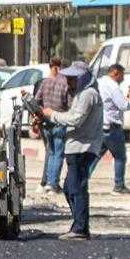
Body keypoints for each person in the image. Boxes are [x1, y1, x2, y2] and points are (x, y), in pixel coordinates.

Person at [40, 59, 104, 239]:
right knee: (70, 187)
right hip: (76, 146)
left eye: (73, 78)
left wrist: (52, 115)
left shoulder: (87, 95)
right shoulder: (81, 94)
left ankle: (80, 228)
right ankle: (79, 223)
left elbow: (75, 119)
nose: (69, 81)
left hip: (82, 147)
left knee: (77, 187)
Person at [35, 54, 75, 188]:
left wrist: (40, 115)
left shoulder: (44, 82)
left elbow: (36, 101)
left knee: (50, 152)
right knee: (58, 153)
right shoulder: (65, 83)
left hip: (46, 122)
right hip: (60, 121)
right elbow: (69, 104)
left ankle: (47, 182)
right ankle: (53, 183)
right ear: (59, 67)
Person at [97, 63, 130, 191]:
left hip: (99, 126)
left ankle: (80, 181)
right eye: (122, 75)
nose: (123, 79)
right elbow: (123, 105)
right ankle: (119, 185)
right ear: (115, 73)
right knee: (120, 157)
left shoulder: (99, 82)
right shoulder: (113, 87)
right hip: (112, 127)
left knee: (93, 157)